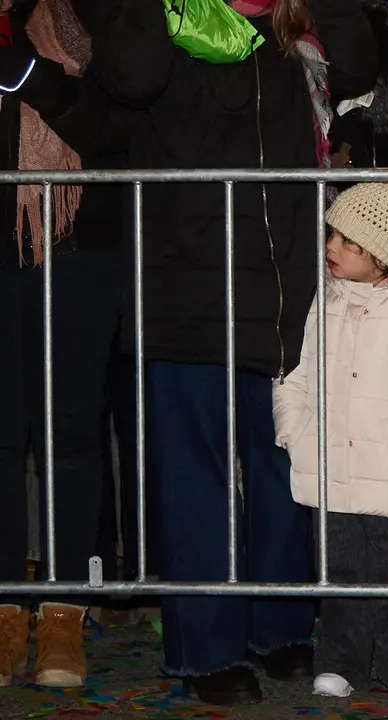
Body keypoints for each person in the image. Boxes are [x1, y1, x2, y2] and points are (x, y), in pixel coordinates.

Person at [91, 0, 377, 705]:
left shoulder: (292, 38)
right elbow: (126, 76)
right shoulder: (166, 22)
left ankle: (278, 629)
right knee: (196, 481)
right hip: (183, 287)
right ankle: (207, 650)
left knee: (285, 467)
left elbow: (362, 63)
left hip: (280, 288)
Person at [274, 170, 388, 700]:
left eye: (348, 241)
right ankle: (339, 658)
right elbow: (297, 372)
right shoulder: (322, 301)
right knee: (337, 572)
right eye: (331, 235)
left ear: (384, 255)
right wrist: (295, 430)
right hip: (328, 467)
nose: (331, 247)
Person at [0, 0, 131, 689]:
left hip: (80, 244)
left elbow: (115, 122)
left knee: (71, 432)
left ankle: (60, 612)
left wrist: (27, 76)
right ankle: (4, 611)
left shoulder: (94, 16)